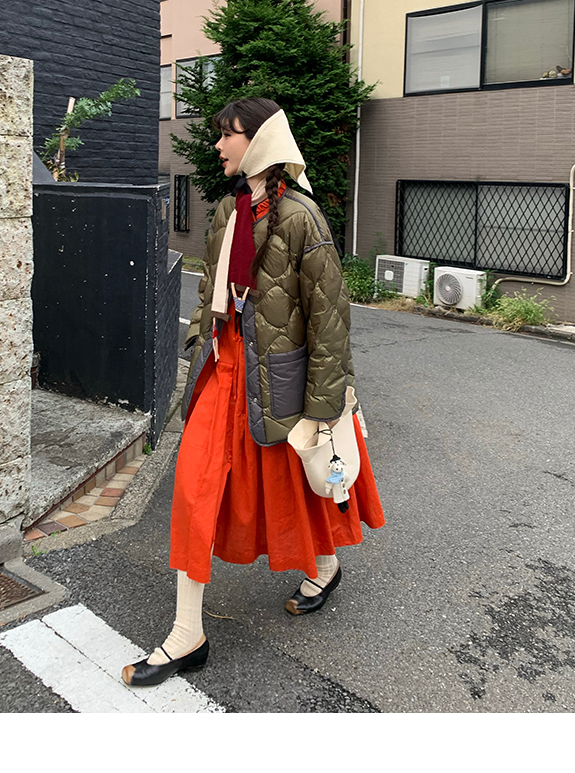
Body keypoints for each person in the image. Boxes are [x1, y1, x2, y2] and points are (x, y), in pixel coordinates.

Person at [122, 98, 384, 687]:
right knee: (194, 488)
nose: (218, 145)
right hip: (224, 368)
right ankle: (187, 633)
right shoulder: (227, 208)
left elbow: (329, 318)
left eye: (229, 135)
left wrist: (324, 408)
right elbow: (210, 292)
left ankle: (325, 565)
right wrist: (200, 338)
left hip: (278, 375)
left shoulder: (302, 217)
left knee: (295, 480)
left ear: (260, 140)